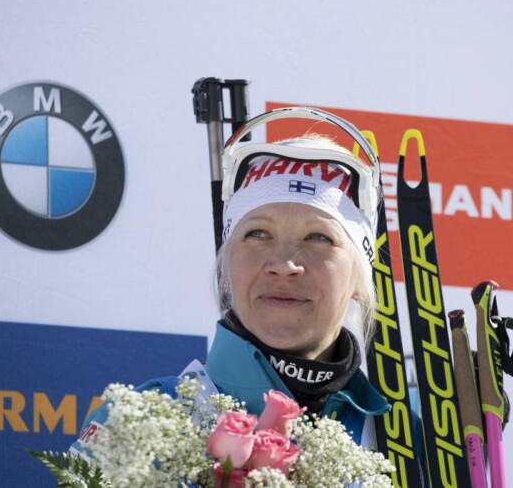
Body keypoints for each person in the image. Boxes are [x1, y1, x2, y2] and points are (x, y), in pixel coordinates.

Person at [69, 108, 422, 479]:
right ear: (225, 269)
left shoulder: (408, 445)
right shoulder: (140, 425)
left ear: (359, 281)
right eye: (257, 234)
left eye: (318, 238)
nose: (284, 264)